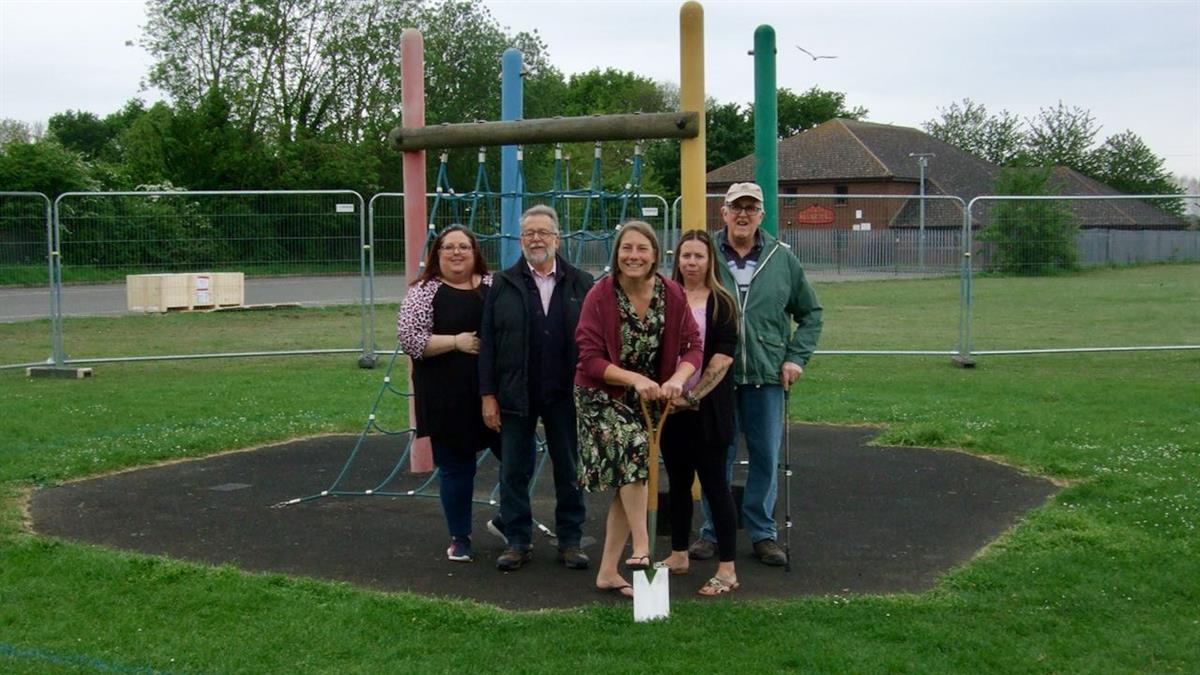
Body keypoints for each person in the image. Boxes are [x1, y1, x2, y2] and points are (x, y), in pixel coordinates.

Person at [691, 182, 823, 567]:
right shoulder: (706, 254)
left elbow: (810, 313)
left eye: (751, 208)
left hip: (767, 375)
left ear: (762, 214)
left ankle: (763, 533)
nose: (743, 215)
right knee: (718, 456)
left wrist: (796, 357)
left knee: (766, 456)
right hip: (717, 378)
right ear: (724, 212)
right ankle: (713, 532)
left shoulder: (783, 259)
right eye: (737, 207)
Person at [574, 220, 702, 598]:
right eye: (626, 248)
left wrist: (679, 377)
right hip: (601, 396)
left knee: (628, 477)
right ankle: (643, 545)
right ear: (617, 254)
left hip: (646, 400)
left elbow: (693, 346)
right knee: (634, 453)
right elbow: (590, 359)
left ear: (654, 255)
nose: (634, 256)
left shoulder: (671, 293)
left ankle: (608, 572)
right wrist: (633, 379)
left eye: (641, 249)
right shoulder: (600, 295)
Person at [478, 204, 594, 572]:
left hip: (565, 392)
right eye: (529, 233)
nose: (536, 239)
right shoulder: (502, 283)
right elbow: (489, 344)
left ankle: (571, 540)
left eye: (543, 232)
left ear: (557, 238)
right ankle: (517, 539)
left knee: (569, 467)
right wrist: (488, 395)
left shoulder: (580, 282)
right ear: (520, 239)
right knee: (513, 468)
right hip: (516, 391)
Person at [397, 226, 497, 563]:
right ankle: (461, 536)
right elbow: (410, 338)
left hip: (493, 394)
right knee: (457, 467)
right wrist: (455, 341)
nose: (457, 253)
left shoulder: (492, 287)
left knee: (518, 456)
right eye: (449, 247)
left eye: (464, 247)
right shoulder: (425, 291)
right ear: (437, 254)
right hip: (445, 395)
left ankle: (510, 520)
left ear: (475, 252)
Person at [655, 229, 742, 595]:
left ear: (710, 261)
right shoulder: (665, 297)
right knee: (676, 483)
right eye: (685, 256)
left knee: (715, 486)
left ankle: (727, 568)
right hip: (670, 409)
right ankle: (678, 553)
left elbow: (723, 357)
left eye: (698, 256)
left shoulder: (721, 302)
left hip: (708, 409)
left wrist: (693, 396)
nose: (691, 263)